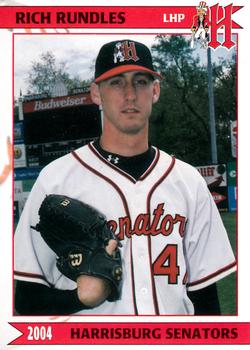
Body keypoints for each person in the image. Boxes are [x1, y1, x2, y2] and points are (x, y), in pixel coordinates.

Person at [14, 39, 236, 315]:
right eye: (117, 82)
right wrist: (79, 299)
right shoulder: (55, 180)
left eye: (141, 81)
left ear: (155, 91)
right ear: (96, 93)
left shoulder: (188, 182)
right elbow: (24, 302)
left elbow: (205, 299)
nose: (130, 94)